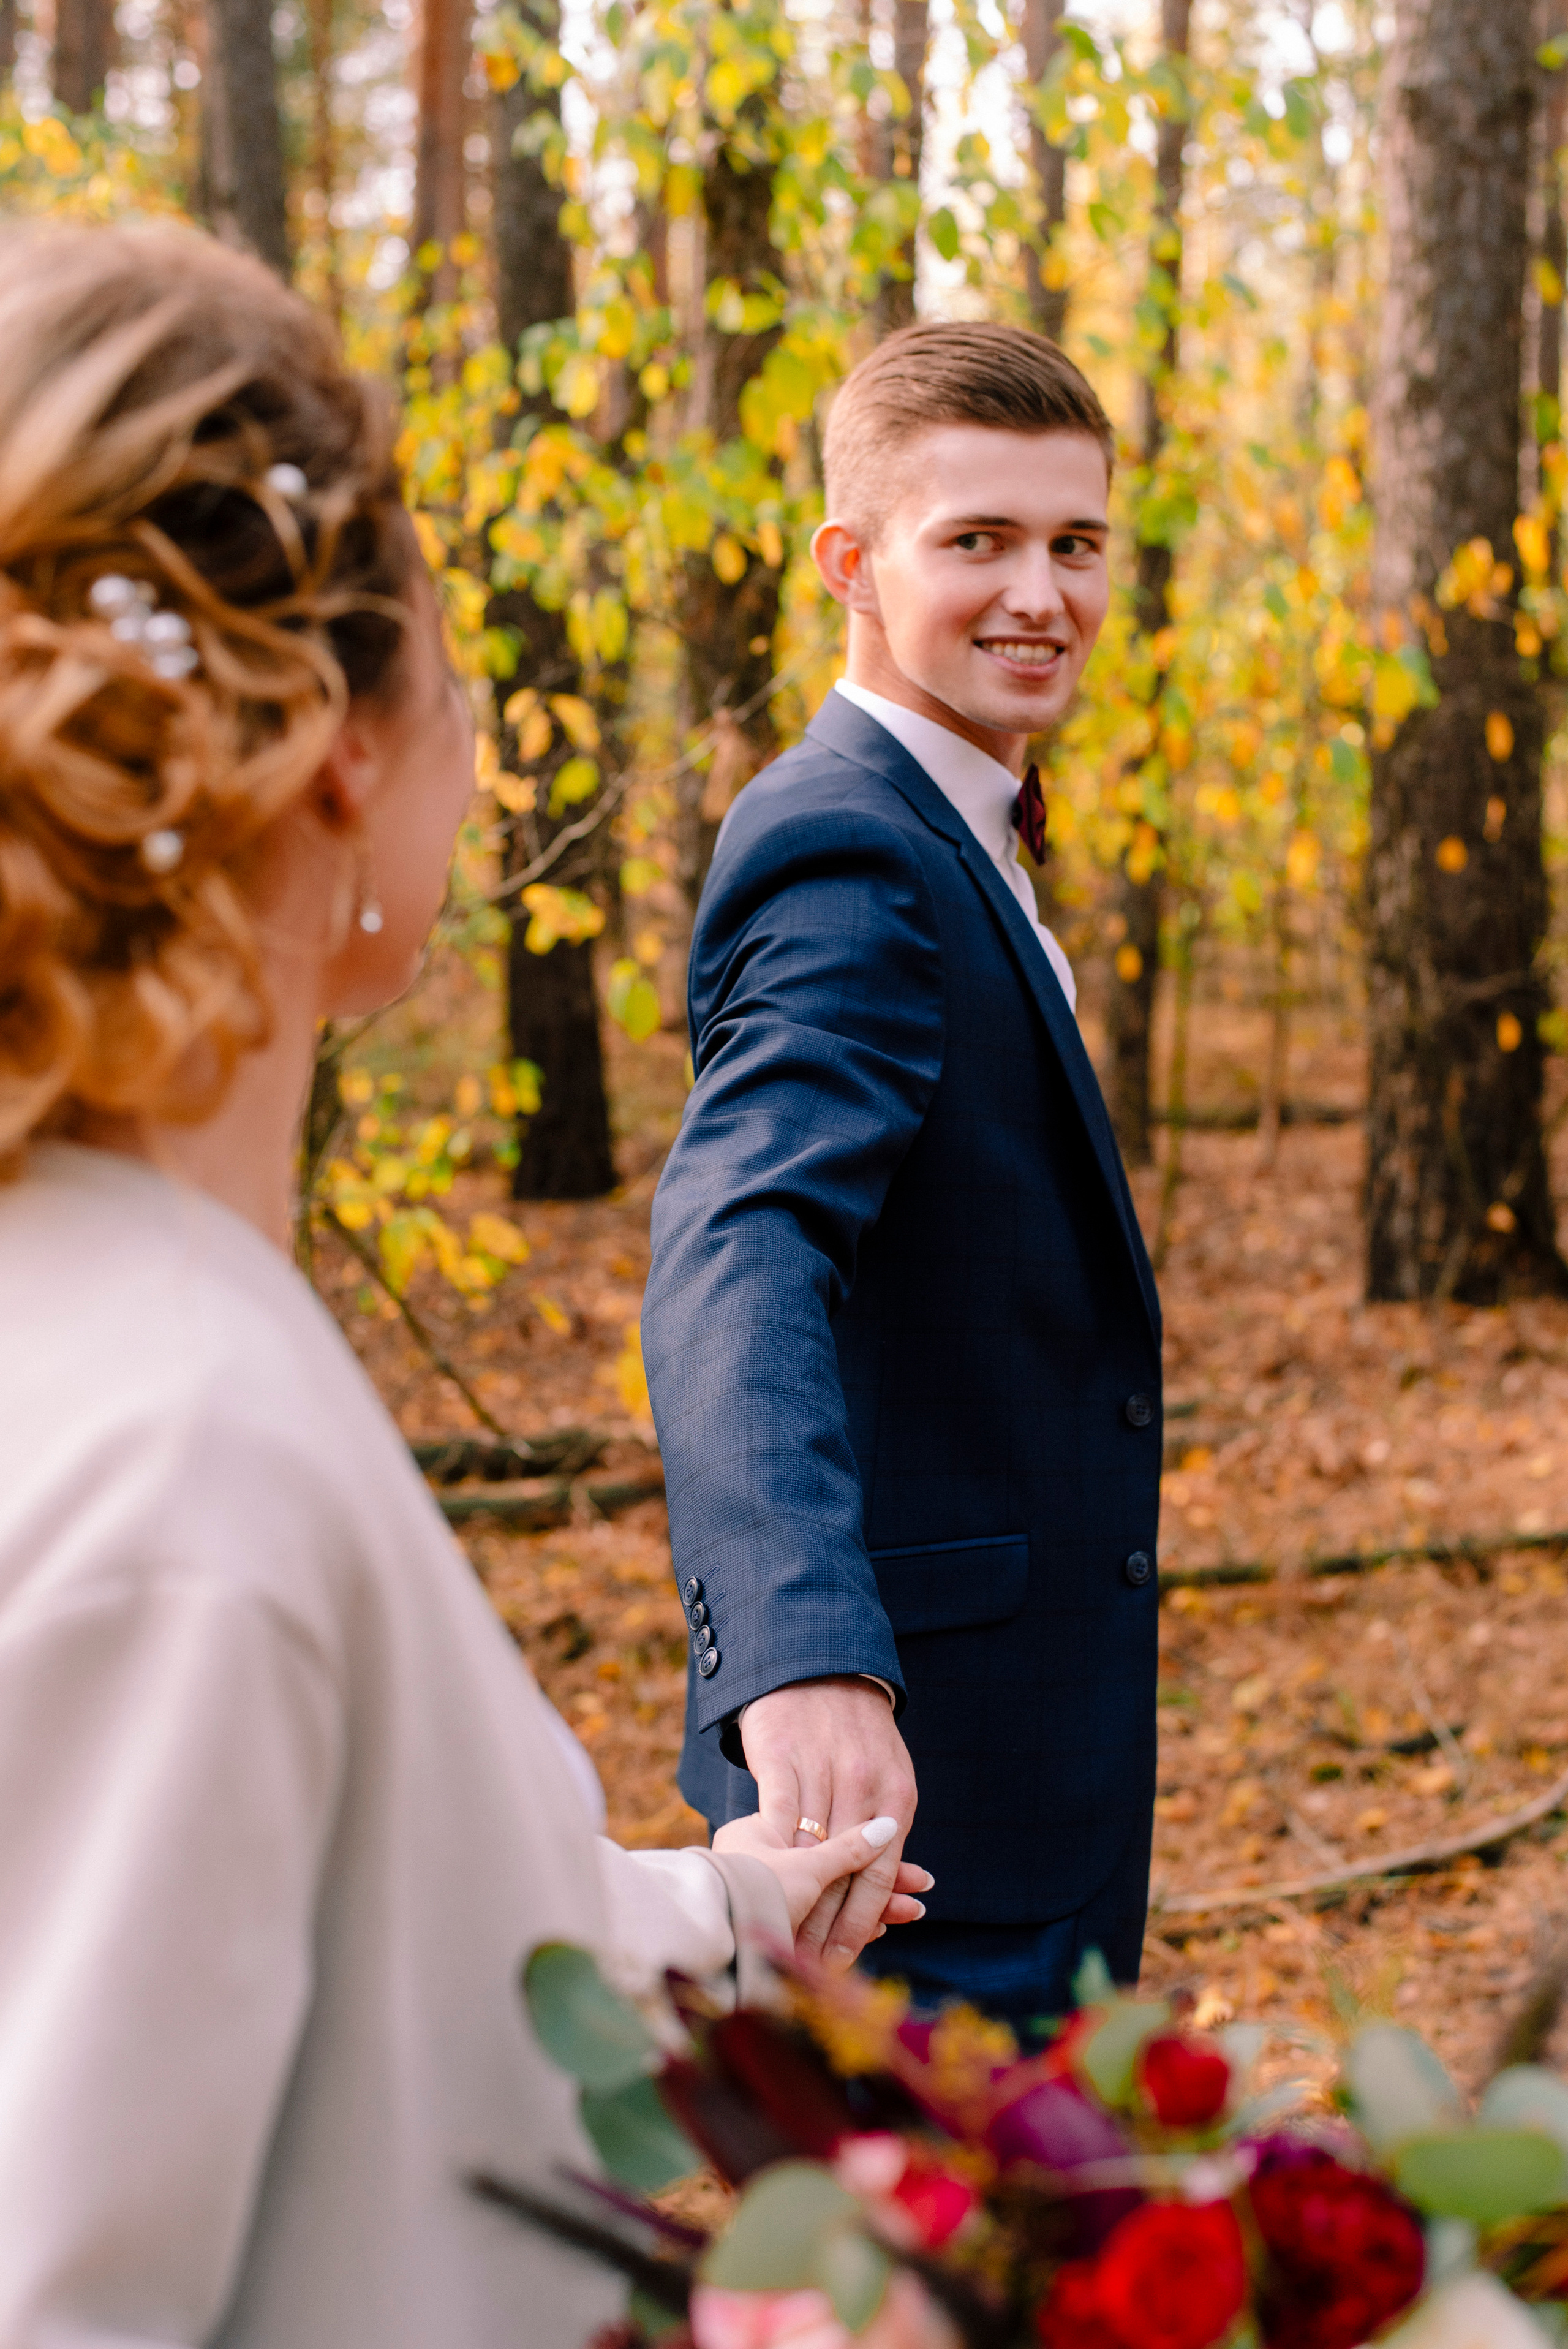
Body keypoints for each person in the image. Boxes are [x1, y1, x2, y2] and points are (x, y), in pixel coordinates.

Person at [0, 221, 930, 2349]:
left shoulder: (130, 1337)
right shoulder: (178, 1470)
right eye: (438, 623)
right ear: (337, 738)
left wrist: (715, 1916)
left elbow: (310, 1938)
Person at [642, 322, 1163, 2027]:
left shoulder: (965, 825)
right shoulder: (852, 841)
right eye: (979, 541)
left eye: (1076, 543)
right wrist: (797, 1653)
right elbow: (743, 1241)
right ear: (851, 565)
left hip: (1014, 1779)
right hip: (897, 1819)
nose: (1042, 593)